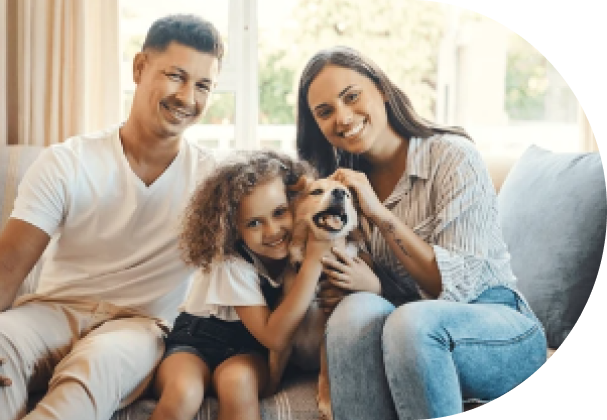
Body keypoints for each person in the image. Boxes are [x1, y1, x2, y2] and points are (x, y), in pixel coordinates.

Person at [0, 14, 224, 420]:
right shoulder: (68, 161)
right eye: (176, 76)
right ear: (140, 68)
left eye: (203, 85)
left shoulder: (213, 182)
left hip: (139, 326)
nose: (187, 96)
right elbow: (9, 260)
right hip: (52, 310)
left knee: (95, 366)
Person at [295, 46, 548, 419]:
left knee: (411, 322)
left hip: (497, 327)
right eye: (325, 111)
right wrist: (368, 285)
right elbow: (361, 278)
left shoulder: (452, 156)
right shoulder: (339, 187)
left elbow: (456, 288)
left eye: (351, 97)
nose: (343, 117)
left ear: (381, 88)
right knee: (355, 313)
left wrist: (378, 212)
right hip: (407, 331)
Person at [149, 150, 344, 420]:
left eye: (279, 213)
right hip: (195, 342)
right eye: (254, 223)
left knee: (238, 384)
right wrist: (313, 261)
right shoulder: (231, 264)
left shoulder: (293, 254)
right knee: (184, 391)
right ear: (232, 228)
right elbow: (274, 337)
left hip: (246, 351)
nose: (272, 231)